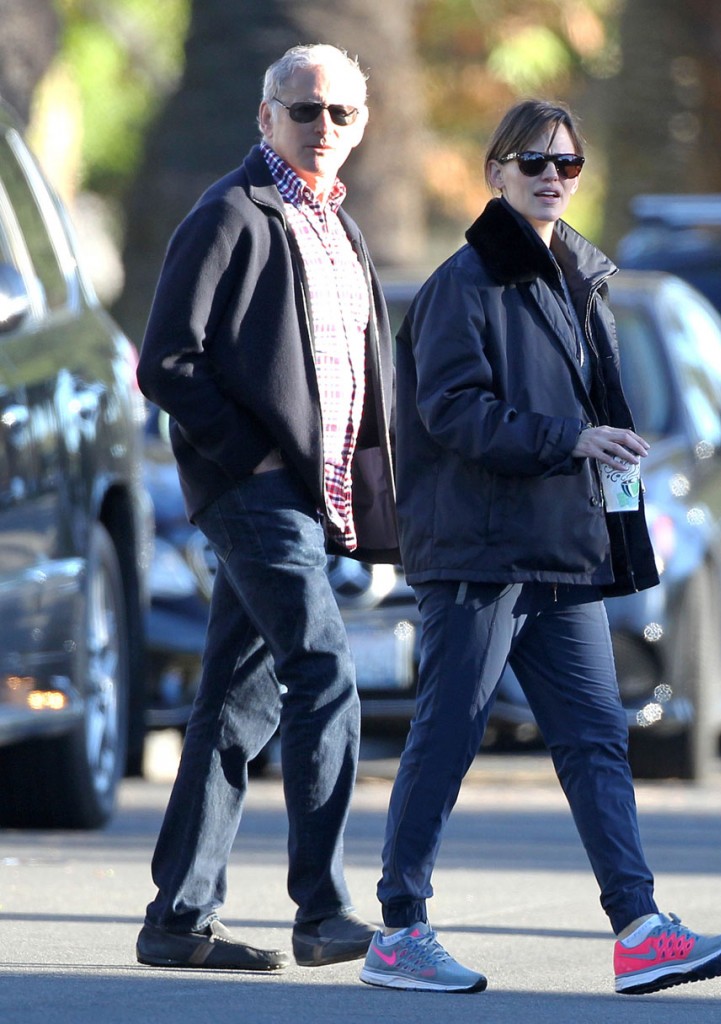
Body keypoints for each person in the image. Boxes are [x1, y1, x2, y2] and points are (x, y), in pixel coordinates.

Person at [359, 99, 721, 995]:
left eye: (566, 165)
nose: (550, 177)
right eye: (532, 162)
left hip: (561, 550)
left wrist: (608, 452)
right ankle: (399, 929)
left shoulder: (580, 277)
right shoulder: (465, 284)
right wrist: (570, 438)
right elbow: (450, 412)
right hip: (479, 551)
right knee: (448, 732)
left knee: (595, 739)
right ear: (494, 172)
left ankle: (641, 928)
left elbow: (585, 412)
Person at [135, 43, 399, 973]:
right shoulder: (230, 215)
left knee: (234, 706)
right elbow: (165, 359)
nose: (323, 128)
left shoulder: (342, 230)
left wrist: (375, 499)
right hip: (252, 490)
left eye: (341, 115)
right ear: (265, 117)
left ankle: (178, 918)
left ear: (361, 126)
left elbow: (358, 379)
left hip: (309, 499)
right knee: (324, 670)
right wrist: (246, 458)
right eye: (304, 111)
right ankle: (324, 909)